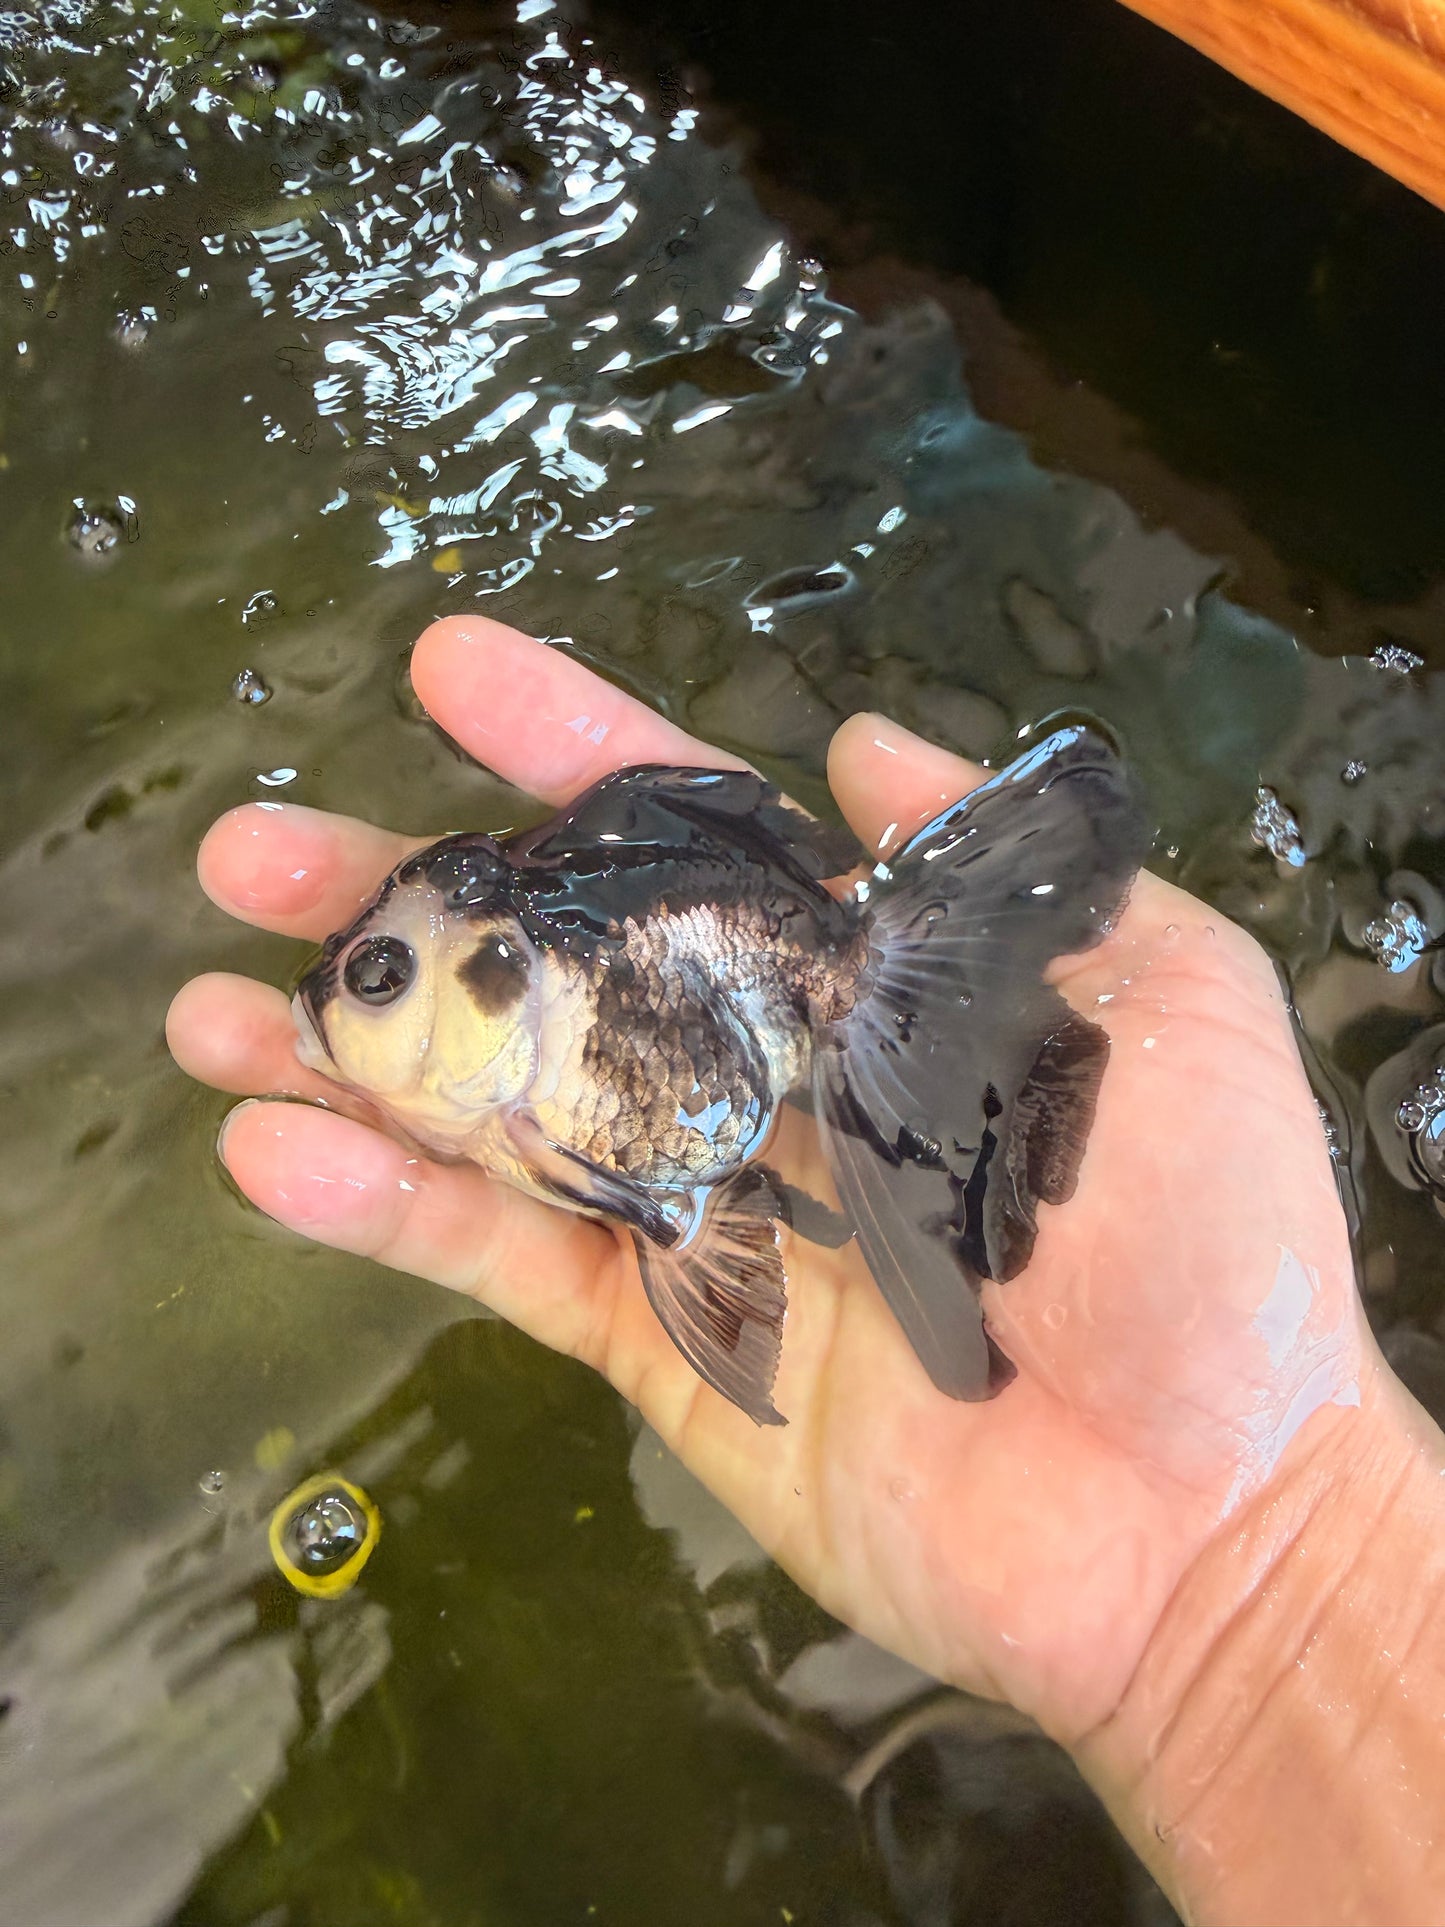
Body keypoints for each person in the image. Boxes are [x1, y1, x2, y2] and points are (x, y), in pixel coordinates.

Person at [168, 615, 1445, 1927]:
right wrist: (1288, 1571)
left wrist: (1284, 1533)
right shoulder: (514, 1093)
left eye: (379, 977)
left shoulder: (561, 1049)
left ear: (498, 971)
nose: (341, 1007)